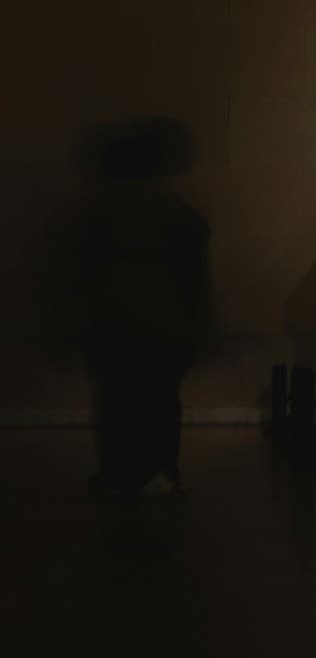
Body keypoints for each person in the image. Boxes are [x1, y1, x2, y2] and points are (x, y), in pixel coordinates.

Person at [72, 118, 212, 499]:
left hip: (115, 325)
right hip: (165, 327)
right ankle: (161, 473)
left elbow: (84, 274)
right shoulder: (178, 215)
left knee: (117, 402)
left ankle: (120, 473)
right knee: (160, 402)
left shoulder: (98, 215)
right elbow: (193, 277)